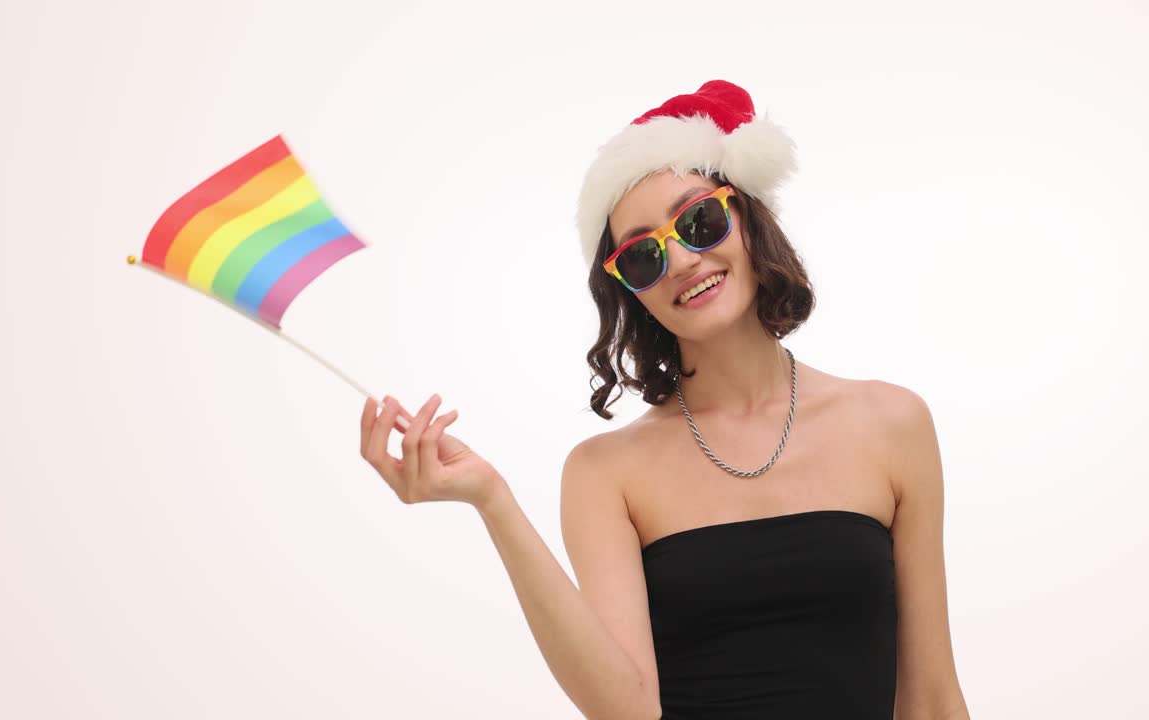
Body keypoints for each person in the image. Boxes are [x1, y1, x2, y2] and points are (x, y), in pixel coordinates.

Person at [359, 79, 970, 720]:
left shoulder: (892, 424)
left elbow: (930, 698)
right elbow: (625, 709)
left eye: (699, 221)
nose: (680, 260)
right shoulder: (607, 473)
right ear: (631, 291)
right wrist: (492, 500)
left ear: (749, 218)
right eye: (644, 256)